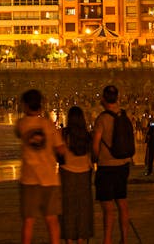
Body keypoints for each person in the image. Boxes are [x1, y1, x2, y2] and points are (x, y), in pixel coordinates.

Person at [18, 88, 65, 244]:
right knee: (51, 220)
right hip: (49, 178)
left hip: (29, 178)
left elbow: (19, 132)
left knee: (29, 221)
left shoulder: (22, 124)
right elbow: (60, 148)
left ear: (25, 105)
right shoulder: (48, 125)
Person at [92, 84, 132, 244]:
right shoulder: (124, 115)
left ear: (103, 99)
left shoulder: (102, 119)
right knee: (122, 203)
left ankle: (107, 240)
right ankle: (124, 239)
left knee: (108, 208)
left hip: (106, 166)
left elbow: (95, 144)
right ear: (118, 98)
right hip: (123, 165)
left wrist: (94, 159)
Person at [60, 105, 95, 244]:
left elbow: (55, 151)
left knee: (68, 208)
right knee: (83, 208)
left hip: (67, 172)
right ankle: (81, 239)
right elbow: (93, 154)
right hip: (84, 173)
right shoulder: (87, 135)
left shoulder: (63, 133)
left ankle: (69, 240)